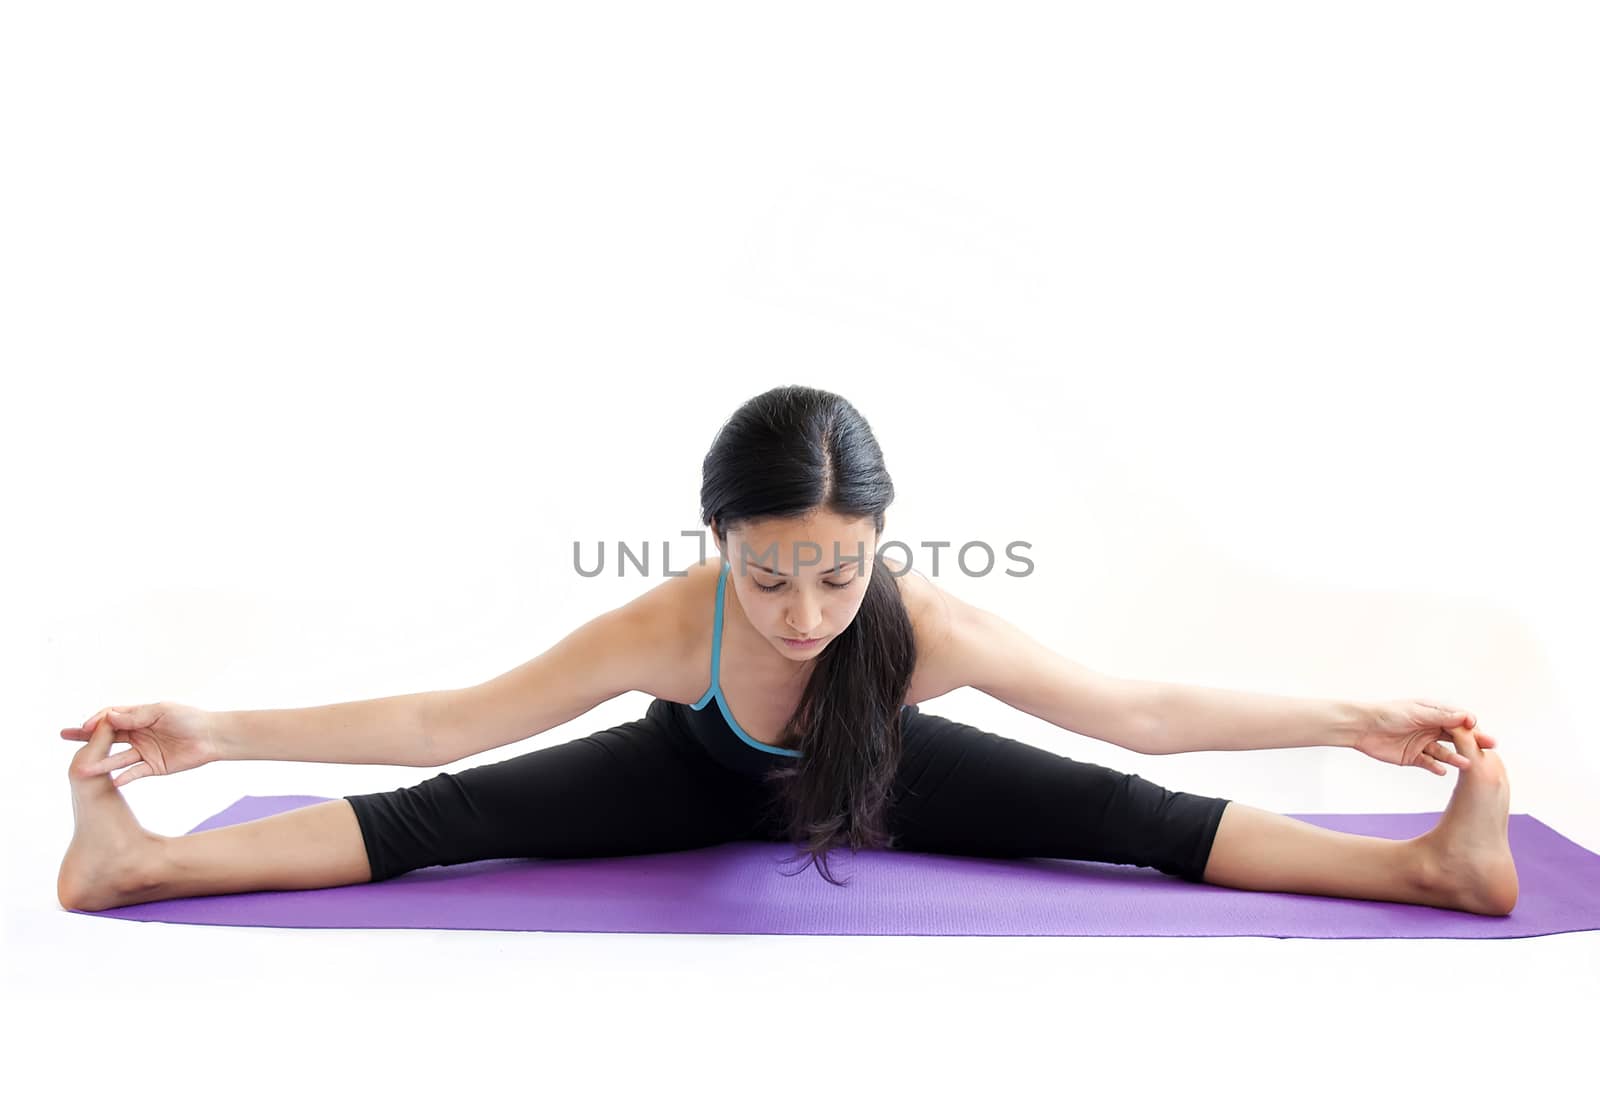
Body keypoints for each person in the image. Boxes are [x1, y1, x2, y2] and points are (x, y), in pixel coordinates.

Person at [57, 385, 1518, 916]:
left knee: (1120, 822)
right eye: (771, 580)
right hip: (689, 778)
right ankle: (140, 860)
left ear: (879, 546)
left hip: (882, 772)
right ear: (718, 546)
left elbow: (1131, 712)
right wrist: (218, 727)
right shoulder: (664, 622)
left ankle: (1429, 868)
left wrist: (1354, 711)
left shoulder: (923, 624)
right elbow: (448, 720)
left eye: (838, 574)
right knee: (455, 821)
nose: (807, 612)